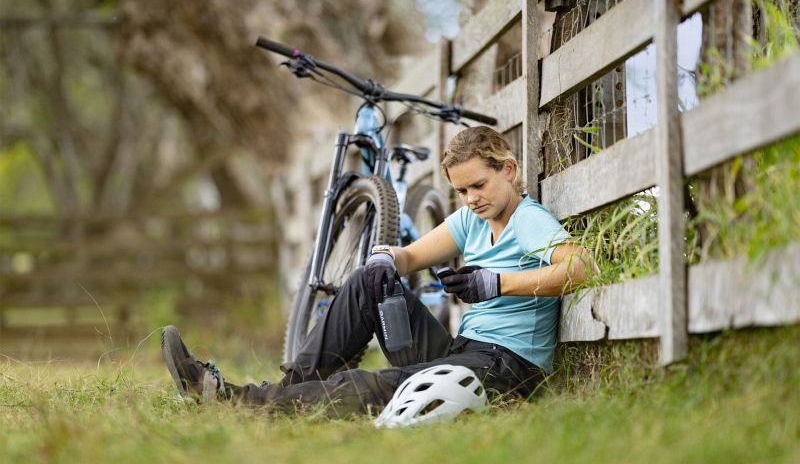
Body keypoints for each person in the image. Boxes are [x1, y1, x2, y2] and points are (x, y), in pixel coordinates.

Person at [162, 126, 594, 415]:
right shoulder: (471, 220)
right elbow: (409, 257)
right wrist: (386, 258)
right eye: (461, 190)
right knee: (370, 279)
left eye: (478, 185)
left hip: (506, 369)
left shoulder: (527, 219)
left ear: (509, 170)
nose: (470, 199)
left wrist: (496, 283)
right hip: (463, 353)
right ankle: (289, 389)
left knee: (382, 385)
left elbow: (581, 268)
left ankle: (237, 402)